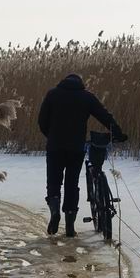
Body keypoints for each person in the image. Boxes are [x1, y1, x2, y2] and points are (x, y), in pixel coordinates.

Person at [38, 73, 127, 237]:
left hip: (55, 147)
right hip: (76, 148)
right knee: (72, 183)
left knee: (54, 182)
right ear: (81, 83)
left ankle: (55, 212)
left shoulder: (52, 94)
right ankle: (70, 226)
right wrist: (118, 133)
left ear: (63, 82)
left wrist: (51, 136)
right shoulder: (87, 97)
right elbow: (104, 116)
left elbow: (42, 120)